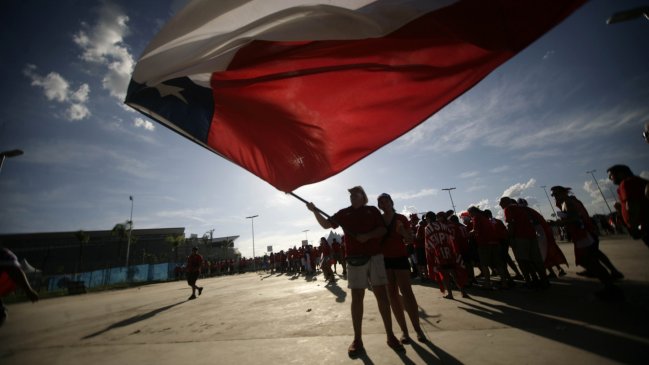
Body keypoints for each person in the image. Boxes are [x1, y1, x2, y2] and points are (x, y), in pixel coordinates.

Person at [306, 186, 404, 356]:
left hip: (375, 257)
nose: (351, 196)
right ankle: (357, 339)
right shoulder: (344, 213)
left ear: (363, 196)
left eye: (355, 194)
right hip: (355, 259)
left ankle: (390, 335)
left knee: (381, 295)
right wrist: (314, 211)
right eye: (350, 194)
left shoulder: (372, 210)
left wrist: (367, 236)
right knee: (357, 297)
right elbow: (326, 224)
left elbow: (382, 230)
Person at [550, 186, 623, 300]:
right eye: (553, 195)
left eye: (556, 194)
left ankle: (610, 287)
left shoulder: (567, 203)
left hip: (582, 234)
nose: (554, 197)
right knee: (593, 258)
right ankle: (609, 281)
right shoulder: (570, 201)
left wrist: (558, 223)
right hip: (583, 233)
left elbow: (575, 219)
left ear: (563, 193)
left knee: (590, 261)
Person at [377, 193, 426, 343]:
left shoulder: (401, 219)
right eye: (382, 203)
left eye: (387, 201)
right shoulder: (378, 221)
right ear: (380, 206)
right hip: (384, 260)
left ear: (391, 202)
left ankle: (417, 329)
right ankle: (404, 331)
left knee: (407, 292)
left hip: (400, 258)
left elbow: (410, 239)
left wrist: (402, 230)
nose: (385, 204)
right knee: (392, 295)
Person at [424, 211, 468, 299]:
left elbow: (429, 244)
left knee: (444, 275)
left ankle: (450, 294)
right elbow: (451, 238)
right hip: (449, 252)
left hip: (439, 254)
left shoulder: (428, 228)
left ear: (428, 219)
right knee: (453, 272)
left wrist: (432, 256)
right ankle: (463, 291)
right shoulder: (443, 225)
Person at [468, 206, 513, 290]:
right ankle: (504, 283)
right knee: (498, 264)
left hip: (484, 243)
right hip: (494, 242)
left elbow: (475, 230)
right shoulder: (485, 218)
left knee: (484, 264)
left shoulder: (476, 217)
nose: (470, 215)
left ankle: (487, 284)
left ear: (472, 212)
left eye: (469, 213)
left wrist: (468, 234)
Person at [607, 164, 649, 247]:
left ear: (621, 174)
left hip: (644, 224)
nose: (610, 179)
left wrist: (633, 226)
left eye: (611, 176)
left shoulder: (625, 183)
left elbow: (632, 204)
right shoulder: (639, 180)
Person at [1, 247, 39, 326]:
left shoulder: (4, 254)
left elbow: (15, 271)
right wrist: (28, 291)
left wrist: (28, 290)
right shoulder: (4, 254)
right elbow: (15, 271)